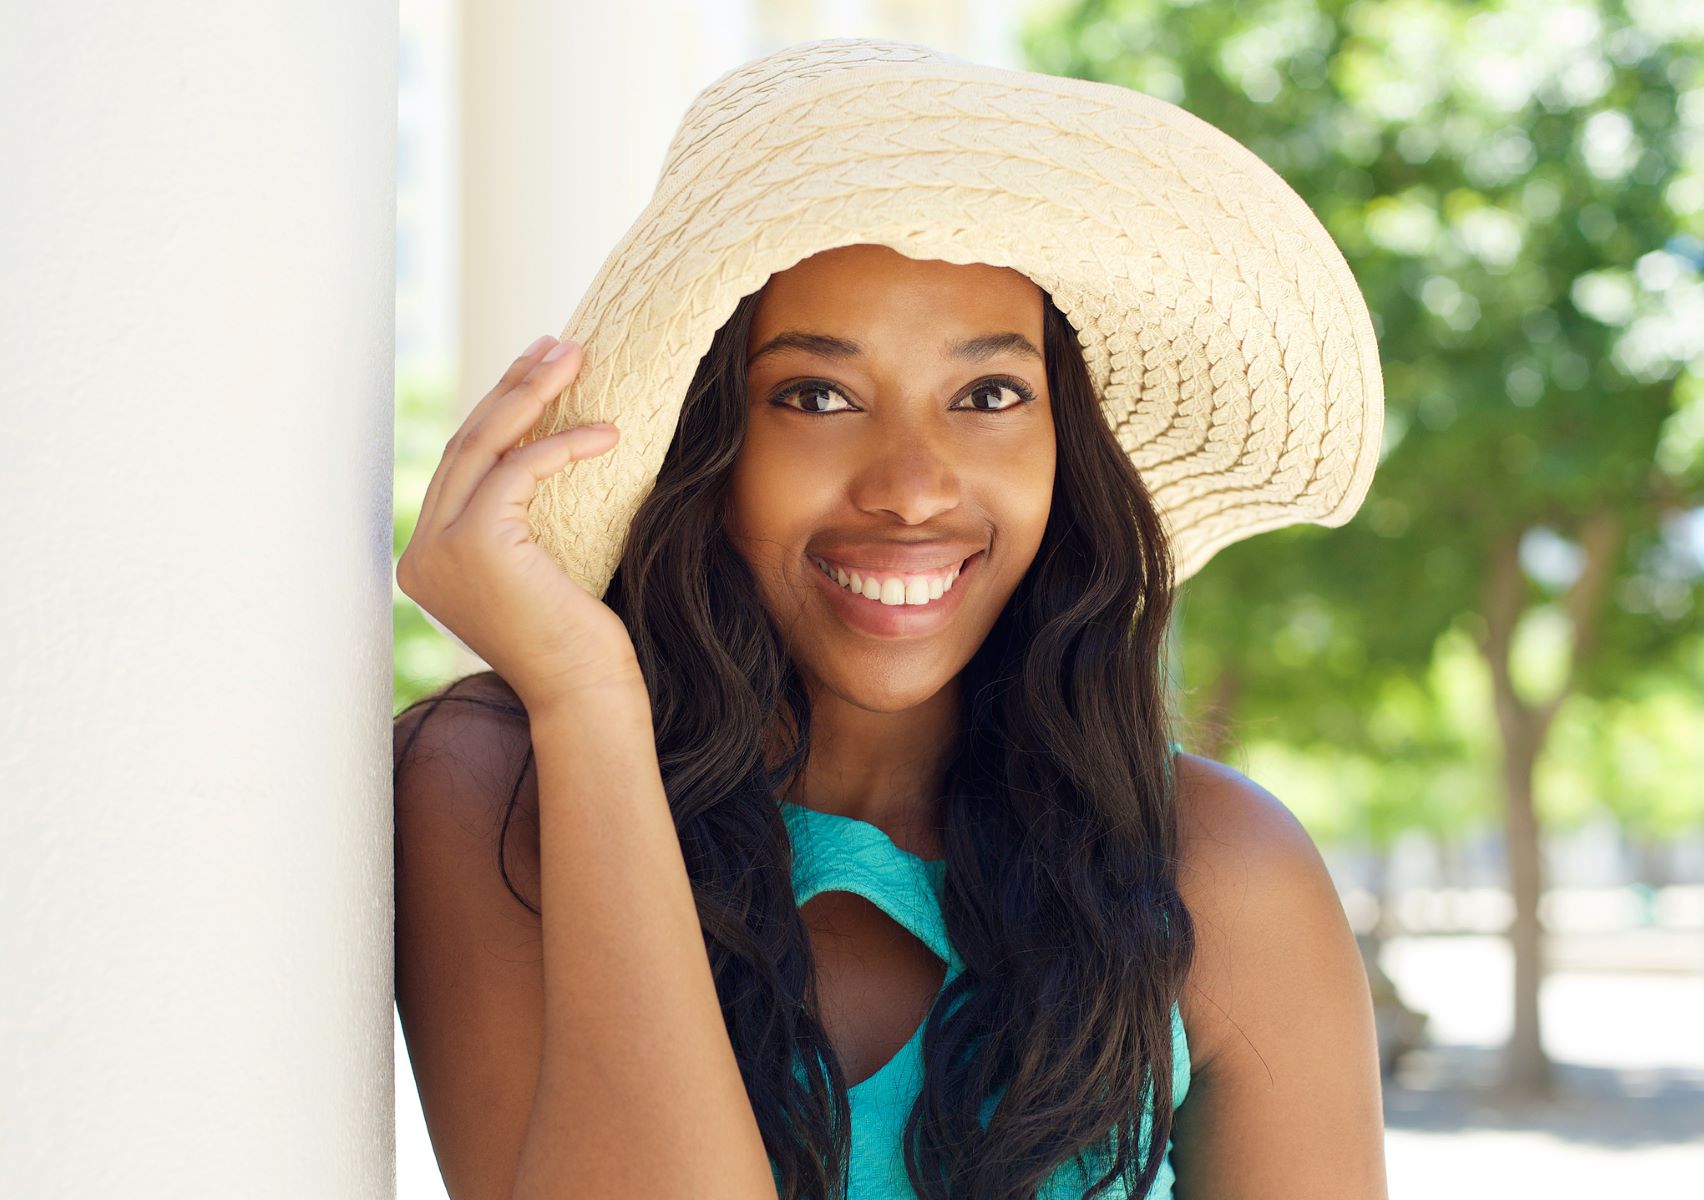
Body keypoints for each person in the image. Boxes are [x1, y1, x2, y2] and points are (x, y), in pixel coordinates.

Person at [391, 39, 1390, 1200]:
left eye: (990, 396)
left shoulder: (1222, 874)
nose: (913, 485)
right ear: (701, 443)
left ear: (1066, 446)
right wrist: (588, 701)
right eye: (817, 396)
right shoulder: (493, 788)